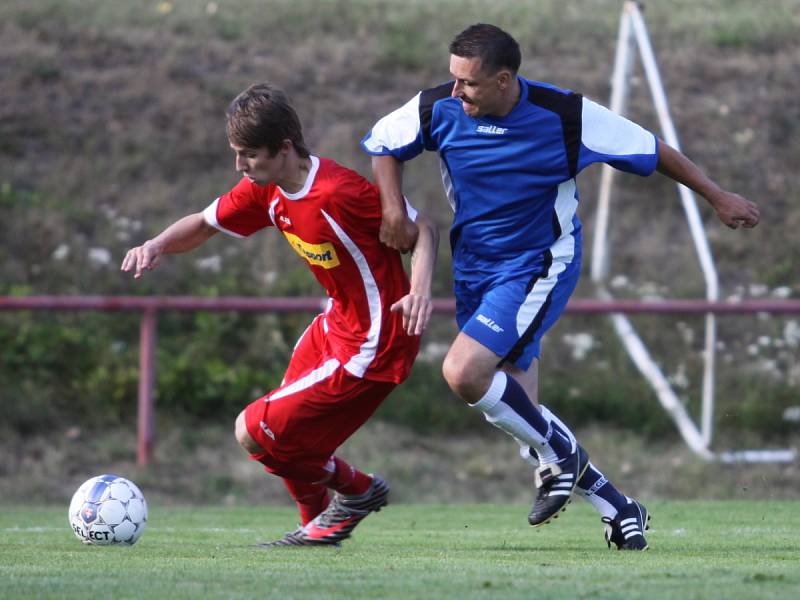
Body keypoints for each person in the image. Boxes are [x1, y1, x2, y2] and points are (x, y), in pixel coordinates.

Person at [361, 23, 759, 551]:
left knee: (464, 373)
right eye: (452, 79)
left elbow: (650, 147)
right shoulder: (439, 107)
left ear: (504, 80)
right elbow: (383, 142)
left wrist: (716, 195)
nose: (456, 91)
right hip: (476, 266)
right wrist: (392, 206)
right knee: (522, 413)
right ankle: (617, 505)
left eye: (469, 83)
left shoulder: (566, 116)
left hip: (539, 261)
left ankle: (562, 457)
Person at [122, 83, 439, 547]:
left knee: (253, 429)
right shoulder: (264, 191)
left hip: (377, 339)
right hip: (335, 325)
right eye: (237, 153)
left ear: (285, 148)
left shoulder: (340, 193)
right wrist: (157, 245)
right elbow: (205, 223)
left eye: (248, 154)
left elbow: (423, 230)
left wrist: (420, 291)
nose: (239, 165)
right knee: (277, 438)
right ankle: (315, 530)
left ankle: (358, 489)